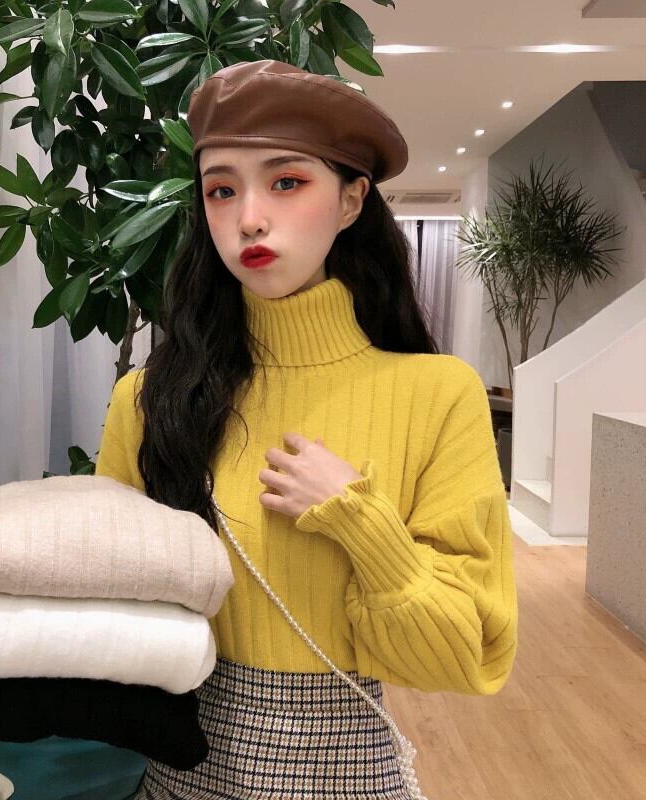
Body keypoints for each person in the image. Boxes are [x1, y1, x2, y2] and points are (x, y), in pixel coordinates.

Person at [96, 59, 518, 800]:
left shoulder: (437, 394)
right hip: (179, 768)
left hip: (345, 769)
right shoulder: (148, 400)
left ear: (352, 200)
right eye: (222, 190)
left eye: (287, 182)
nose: (249, 218)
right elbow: (107, 614)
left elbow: (465, 654)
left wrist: (361, 523)